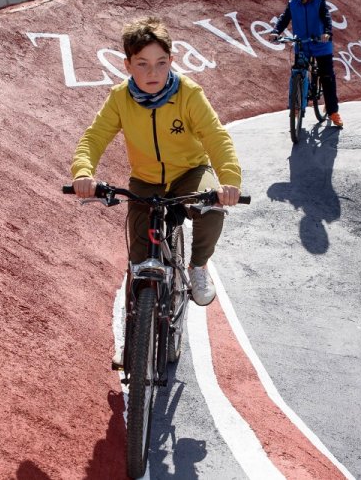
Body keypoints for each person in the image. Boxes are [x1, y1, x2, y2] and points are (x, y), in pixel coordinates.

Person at [71, 17, 242, 306]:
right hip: (146, 180)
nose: (153, 72)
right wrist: (83, 173)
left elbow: (216, 137)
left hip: (190, 171)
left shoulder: (189, 94)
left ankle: (198, 266)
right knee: (137, 265)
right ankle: (134, 340)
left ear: (171, 61)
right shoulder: (120, 99)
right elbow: (94, 137)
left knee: (212, 207)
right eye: (142, 64)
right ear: (127, 65)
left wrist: (229, 182)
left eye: (161, 63)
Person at [271, 0, 344, 127]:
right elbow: (284, 19)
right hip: (302, 44)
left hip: (321, 45)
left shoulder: (320, 3)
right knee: (297, 72)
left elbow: (327, 20)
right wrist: (276, 31)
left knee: (327, 77)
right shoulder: (293, 4)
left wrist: (326, 33)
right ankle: (296, 107)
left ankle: (332, 111)